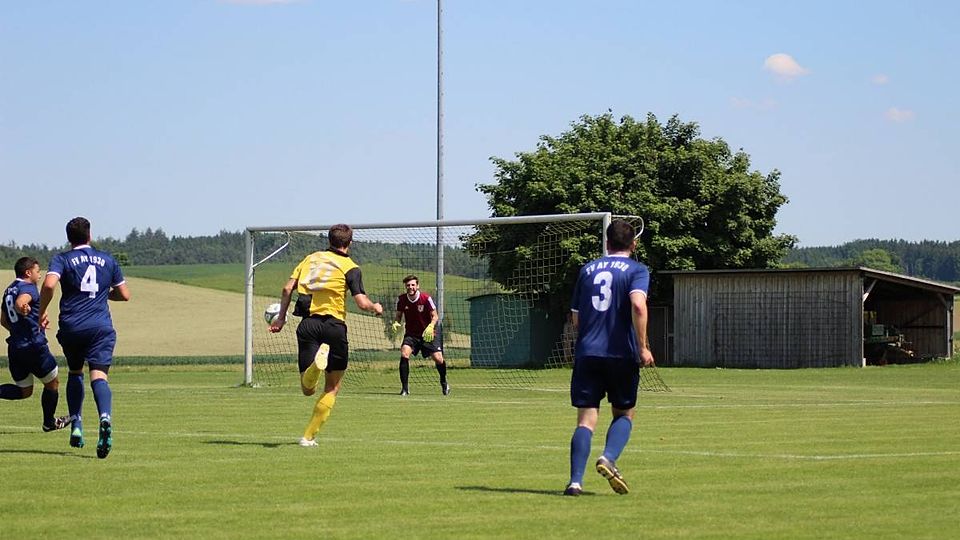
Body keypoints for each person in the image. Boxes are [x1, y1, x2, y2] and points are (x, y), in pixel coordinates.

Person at [269, 224, 383, 447]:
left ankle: (314, 370)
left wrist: (281, 319)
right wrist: (375, 307)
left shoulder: (310, 259)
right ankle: (307, 437)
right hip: (334, 327)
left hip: (308, 325)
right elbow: (361, 302)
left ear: (329, 240)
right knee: (332, 388)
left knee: (307, 389)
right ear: (350, 243)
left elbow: (287, 289)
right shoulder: (351, 267)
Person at [564, 219, 654, 496]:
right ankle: (608, 457)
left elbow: (576, 319)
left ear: (607, 242)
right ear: (633, 244)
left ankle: (575, 482)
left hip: (588, 353)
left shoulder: (587, 270)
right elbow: (638, 305)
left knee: (585, 420)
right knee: (624, 413)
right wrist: (643, 347)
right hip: (620, 353)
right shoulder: (637, 270)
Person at [39, 217, 130, 459]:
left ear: (69, 238)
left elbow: (48, 285)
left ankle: (77, 425)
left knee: (75, 372)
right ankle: (105, 417)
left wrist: (41, 312)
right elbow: (124, 294)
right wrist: (103, 294)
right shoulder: (108, 259)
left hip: (72, 327)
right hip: (100, 327)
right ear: (89, 235)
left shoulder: (62, 259)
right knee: (99, 377)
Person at [1, 257, 73, 432]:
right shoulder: (28, 288)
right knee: (53, 383)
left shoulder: (9, 290)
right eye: (37, 271)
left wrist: (21, 328)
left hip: (15, 347)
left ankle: (49, 422)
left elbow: (3, 319)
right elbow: (21, 303)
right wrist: (23, 307)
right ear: (28, 272)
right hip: (33, 346)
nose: (40, 275)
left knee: (24, 391)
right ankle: (49, 423)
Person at [388, 275, 450, 396]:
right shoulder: (401, 299)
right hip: (412, 335)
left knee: (438, 358)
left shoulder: (426, 298)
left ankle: (444, 382)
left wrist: (431, 326)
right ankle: (405, 389)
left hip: (428, 334)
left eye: (413, 285)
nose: (410, 287)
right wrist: (396, 323)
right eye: (408, 285)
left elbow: (435, 316)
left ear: (417, 286)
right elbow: (399, 315)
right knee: (404, 353)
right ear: (405, 287)